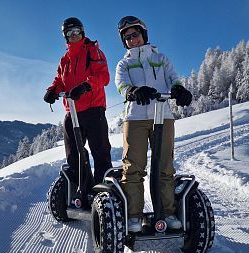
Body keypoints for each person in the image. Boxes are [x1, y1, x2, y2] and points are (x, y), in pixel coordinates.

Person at [115, 16, 193, 233]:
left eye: (135, 34)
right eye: (127, 37)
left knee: (164, 167)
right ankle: (133, 216)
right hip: (135, 118)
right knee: (133, 167)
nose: (132, 40)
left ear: (144, 34)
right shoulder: (124, 63)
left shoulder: (161, 58)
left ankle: (167, 213)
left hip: (163, 116)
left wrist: (179, 89)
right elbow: (121, 84)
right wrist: (132, 92)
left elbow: (174, 78)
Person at [44, 17, 112, 191]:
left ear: (82, 32)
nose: (73, 35)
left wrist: (86, 85)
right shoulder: (65, 59)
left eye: (75, 31)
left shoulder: (93, 51)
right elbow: (60, 79)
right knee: (74, 155)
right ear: (65, 37)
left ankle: (102, 190)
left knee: (100, 152)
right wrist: (53, 89)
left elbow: (103, 76)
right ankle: (82, 189)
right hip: (72, 112)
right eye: (69, 33)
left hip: (93, 109)